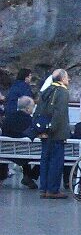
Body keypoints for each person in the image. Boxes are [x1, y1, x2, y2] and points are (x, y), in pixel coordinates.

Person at [35, 68, 71, 199]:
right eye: (67, 77)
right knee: (56, 161)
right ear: (62, 78)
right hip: (56, 133)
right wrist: (53, 129)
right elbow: (59, 113)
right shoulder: (62, 92)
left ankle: (43, 188)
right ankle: (53, 189)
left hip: (44, 131)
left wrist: (42, 130)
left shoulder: (46, 90)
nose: (69, 79)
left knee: (45, 160)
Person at [1, 95, 39, 188]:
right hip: (27, 153)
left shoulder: (8, 119)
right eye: (32, 107)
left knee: (22, 148)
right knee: (46, 156)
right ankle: (30, 176)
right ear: (27, 108)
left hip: (7, 151)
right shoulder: (31, 121)